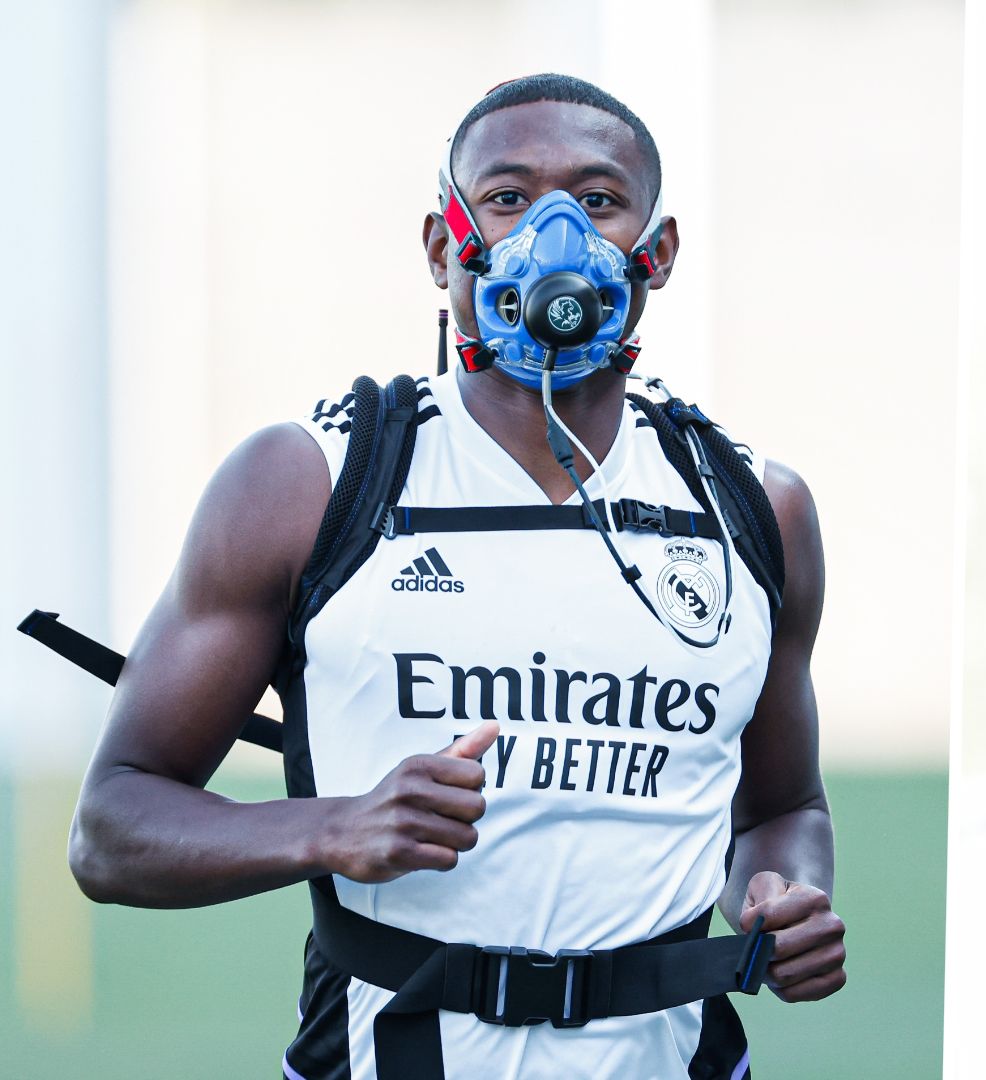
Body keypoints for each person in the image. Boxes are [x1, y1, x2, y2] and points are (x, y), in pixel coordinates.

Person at [65, 74, 845, 1080]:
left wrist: (784, 894)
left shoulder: (757, 506)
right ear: (443, 247)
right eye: (509, 198)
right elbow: (112, 828)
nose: (556, 235)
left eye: (598, 200)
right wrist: (331, 827)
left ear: (656, 251)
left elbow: (783, 809)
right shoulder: (308, 481)